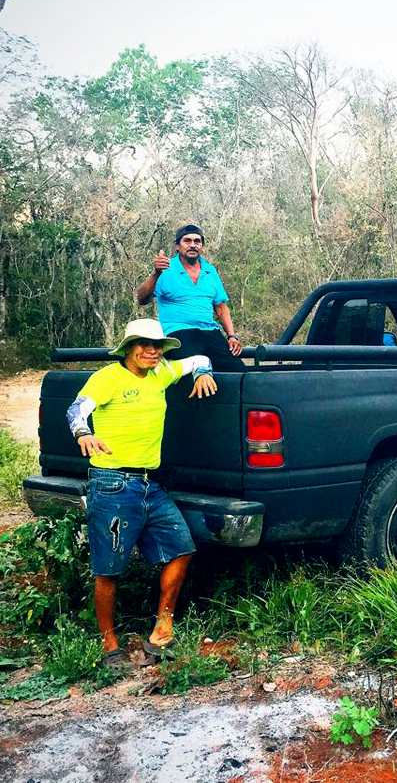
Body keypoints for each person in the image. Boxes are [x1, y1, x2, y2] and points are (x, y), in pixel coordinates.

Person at [66, 318, 217, 671]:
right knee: (109, 569)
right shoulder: (107, 378)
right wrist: (81, 433)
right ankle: (109, 643)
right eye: (144, 344)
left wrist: (202, 374)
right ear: (128, 347)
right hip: (112, 484)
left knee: (181, 549)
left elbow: (199, 360)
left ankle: (162, 628)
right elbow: (77, 408)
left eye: (158, 345)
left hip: (151, 485)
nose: (152, 351)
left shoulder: (161, 372)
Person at [136, 223, 245, 371]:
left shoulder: (210, 271)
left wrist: (232, 336)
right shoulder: (165, 268)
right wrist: (156, 273)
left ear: (202, 246)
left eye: (197, 241)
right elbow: (142, 299)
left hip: (210, 332)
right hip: (178, 333)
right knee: (195, 372)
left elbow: (221, 308)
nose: (192, 245)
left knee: (239, 373)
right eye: (187, 241)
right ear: (177, 246)